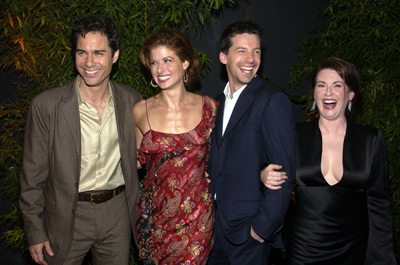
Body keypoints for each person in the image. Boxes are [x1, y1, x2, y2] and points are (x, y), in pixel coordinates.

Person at [19, 15, 142, 265]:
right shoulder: (47, 106)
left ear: (115, 55)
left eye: (98, 53)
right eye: (81, 53)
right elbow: (32, 176)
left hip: (117, 213)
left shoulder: (132, 101)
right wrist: (34, 231)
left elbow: (147, 156)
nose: (89, 62)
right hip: (65, 215)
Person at [261, 57, 397, 264]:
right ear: (314, 93)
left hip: (354, 249)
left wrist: (382, 258)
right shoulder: (294, 135)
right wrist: (263, 173)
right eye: (321, 85)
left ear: (350, 94)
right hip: (304, 249)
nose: (328, 92)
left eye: (337, 86)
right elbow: (263, 164)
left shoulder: (370, 139)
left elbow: (379, 205)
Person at [206, 20, 296, 265]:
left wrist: (262, 229)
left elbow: (284, 174)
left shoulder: (271, 101)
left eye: (256, 51)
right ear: (223, 56)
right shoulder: (213, 105)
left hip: (248, 235)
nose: (251, 58)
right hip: (211, 233)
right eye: (242, 51)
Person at [133, 29, 217, 265]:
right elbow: (134, 164)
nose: (160, 69)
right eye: (154, 62)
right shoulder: (140, 111)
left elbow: (229, 157)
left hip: (196, 218)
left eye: (168, 60)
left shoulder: (210, 108)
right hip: (153, 219)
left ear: (186, 63)